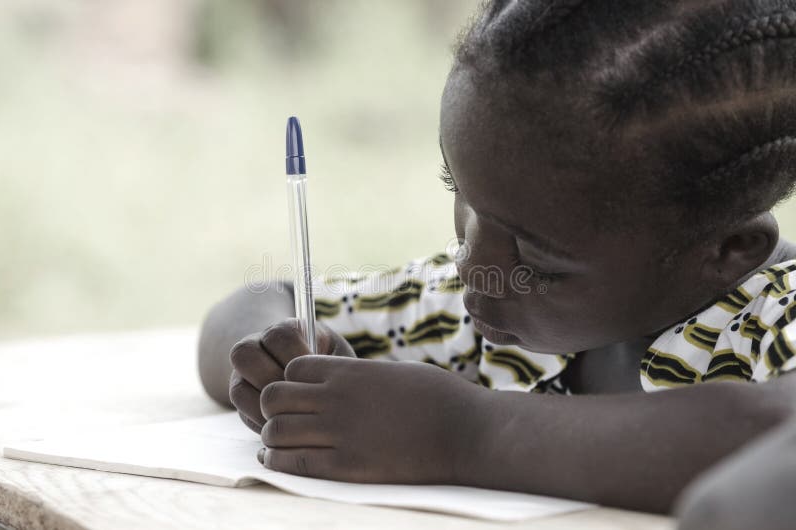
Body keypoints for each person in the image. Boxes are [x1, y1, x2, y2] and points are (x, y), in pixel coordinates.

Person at [197, 0, 796, 515]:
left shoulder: (773, 317)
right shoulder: (477, 310)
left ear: (728, 248)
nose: (470, 264)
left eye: (537, 257)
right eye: (458, 193)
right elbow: (258, 300)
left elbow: (775, 430)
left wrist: (460, 434)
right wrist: (283, 363)